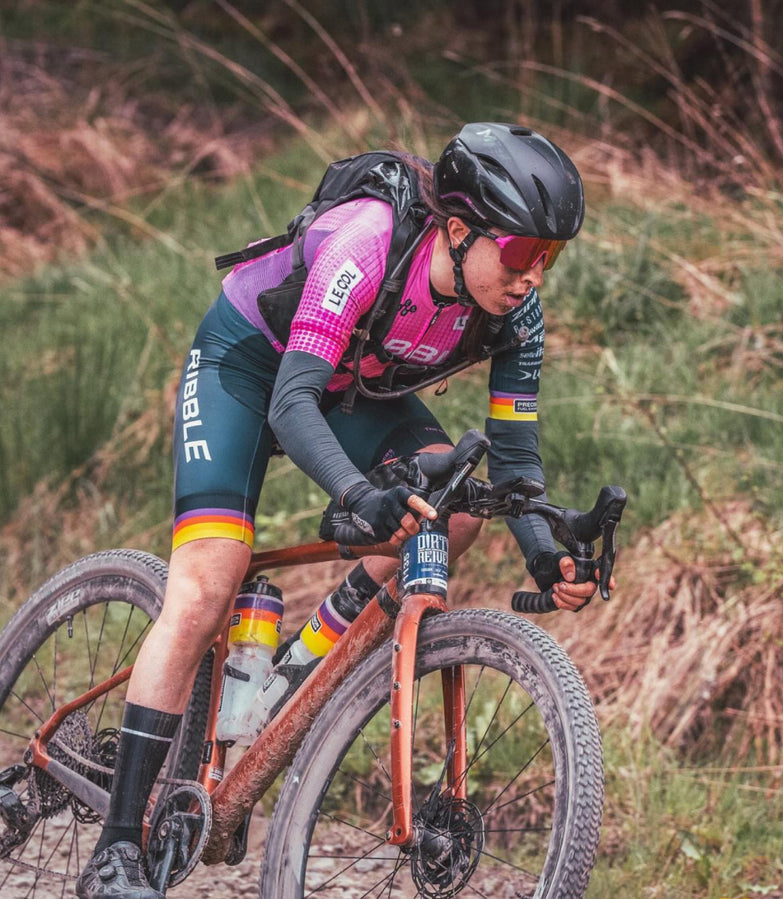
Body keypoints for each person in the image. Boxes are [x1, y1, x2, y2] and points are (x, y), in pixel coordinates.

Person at [78, 123, 610, 899]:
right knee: (205, 585)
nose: (533, 277)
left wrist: (546, 549)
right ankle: (117, 850)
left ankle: (301, 658)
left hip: (352, 389)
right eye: (524, 251)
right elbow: (292, 402)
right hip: (252, 367)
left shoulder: (514, 313)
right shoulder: (364, 243)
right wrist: (358, 495)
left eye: (549, 257)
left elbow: (515, 461)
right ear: (458, 231)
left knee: (454, 508)